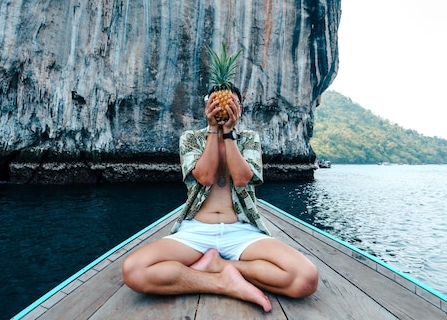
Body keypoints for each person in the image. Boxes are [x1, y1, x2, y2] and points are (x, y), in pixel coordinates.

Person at [122, 87, 319, 312]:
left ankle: (218, 265)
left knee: (306, 278)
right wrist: (214, 131)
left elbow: (243, 178)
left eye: (231, 103)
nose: (224, 107)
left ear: (240, 109)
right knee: (134, 270)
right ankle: (222, 282)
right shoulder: (191, 138)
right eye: (218, 102)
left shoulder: (248, 139)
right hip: (196, 230)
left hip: (242, 230)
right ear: (207, 106)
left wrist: (229, 134)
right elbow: (204, 177)